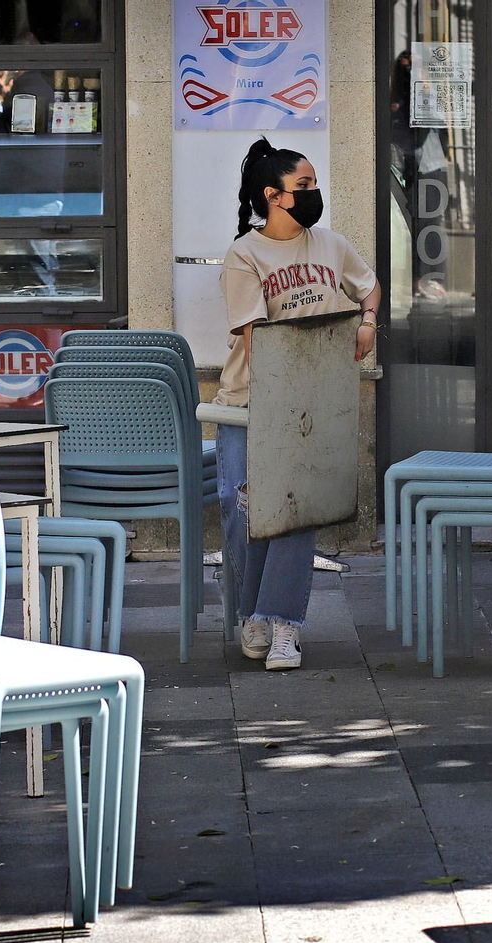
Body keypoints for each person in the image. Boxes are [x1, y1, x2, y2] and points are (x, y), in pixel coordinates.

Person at [218, 138, 381, 670]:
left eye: (314, 184)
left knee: (297, 512)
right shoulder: (244, 255)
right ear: (273, 196)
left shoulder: (332, 245)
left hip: (314, 404)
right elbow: (254, 336)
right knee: (242, 507)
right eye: (303, 185)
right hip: (249, 403)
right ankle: (252, 614)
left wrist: (368, 323)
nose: (314, 193)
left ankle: (284, 625)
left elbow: (369, 288)